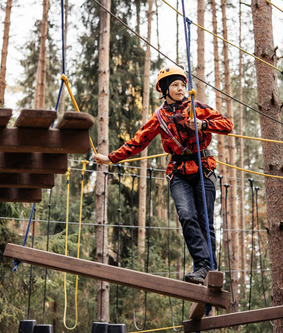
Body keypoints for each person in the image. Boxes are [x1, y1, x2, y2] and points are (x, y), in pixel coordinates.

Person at [94, 66, 233, 284]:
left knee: (205, 220)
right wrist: (111, 158)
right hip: (178, 173)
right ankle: (203, 265)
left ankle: (207, 268)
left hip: (203, 168)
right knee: (187, 216)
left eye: (182, 85)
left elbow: (227, 125)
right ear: (165, 89)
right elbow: (138, 142)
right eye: (175, 85)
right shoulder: (159, 117)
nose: (180, 89)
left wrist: (203, 124)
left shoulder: (196, 107)